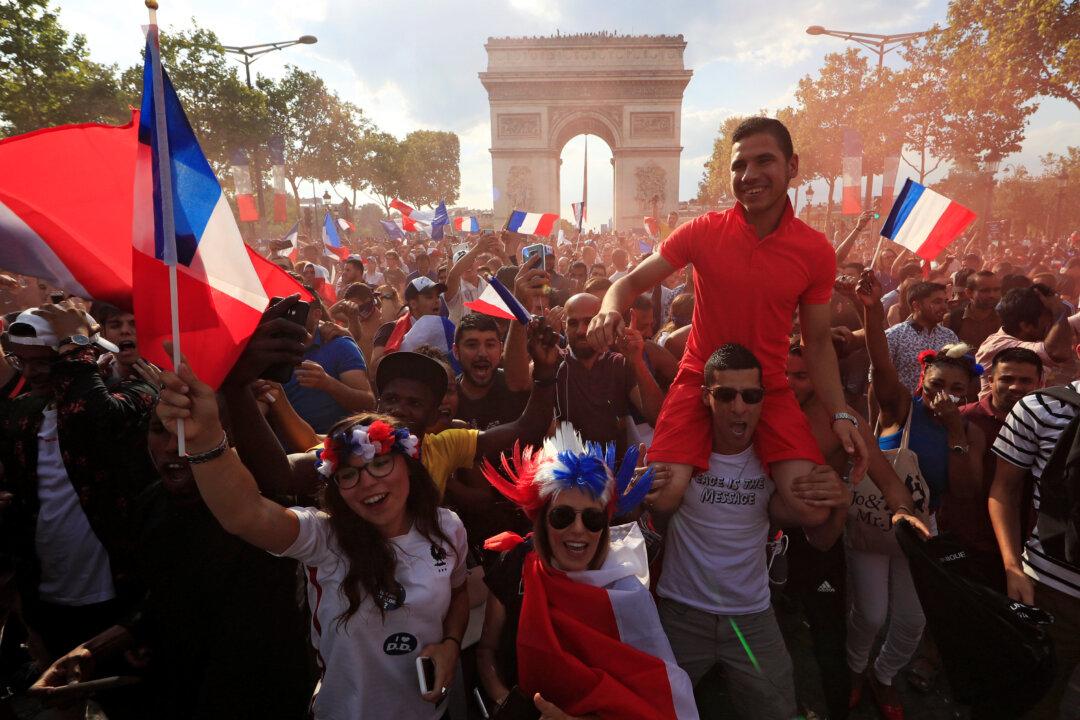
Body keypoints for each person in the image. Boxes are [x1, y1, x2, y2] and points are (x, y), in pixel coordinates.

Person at [155, 365, 469, 720]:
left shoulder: (447, 528)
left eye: (380, 464)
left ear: (408, 466)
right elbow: (246, 514)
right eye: (348, 474)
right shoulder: (325, 539)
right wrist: (205, 439)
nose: (367, 483)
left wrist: (450, 645)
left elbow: (458, 592)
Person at [588, 116, 867, 515]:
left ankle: (761, 529)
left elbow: (818, 342)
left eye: (763, 161)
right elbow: (627, 284)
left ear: (793, 166)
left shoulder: (816, 250)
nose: (749, 174)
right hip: (697, 378)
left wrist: (840, 413)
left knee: (811, 508)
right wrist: (608, 309)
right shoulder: (701, 231)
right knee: (661, 498)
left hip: (769, 385)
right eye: (739, 165)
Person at [29, 409, 315, 718]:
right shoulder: (151, 506)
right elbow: (167, 598)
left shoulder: (269, 515)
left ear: (226, 438)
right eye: (160, 430)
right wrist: (92, 651)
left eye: (190, 431)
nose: (172, 447)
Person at [649, 343, 849, 720]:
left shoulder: (777, 465)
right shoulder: (679, 462)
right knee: (654, 710)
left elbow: (822, 540)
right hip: (680, 615)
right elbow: (653, 518)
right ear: (707, 398)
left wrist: (841, 501)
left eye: (750, 395)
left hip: (751, 619)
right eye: (725, 395)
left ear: (763, 400)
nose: (738, 407)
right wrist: (635, 494)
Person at [478, 424, 699, 720]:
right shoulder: (516, 563)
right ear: (542, 520)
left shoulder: (623, 592)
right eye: (563, 516)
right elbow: (487, 651)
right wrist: (505, 701)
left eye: (593, 519)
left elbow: (648, 700)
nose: (578, 529)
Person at [856, 270, 985, 715]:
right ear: (921, 383)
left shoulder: (968, 430)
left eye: (956, 390)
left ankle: (883, 676)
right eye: (936, 387)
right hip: (875, 520)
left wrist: (954, 431)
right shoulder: (899, 407)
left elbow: (966, 491)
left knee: (912, 621)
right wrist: (871, 311)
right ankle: (854, 671)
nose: (944, 397)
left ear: (969, 393)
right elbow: (879, 364)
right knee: (871, 614)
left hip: (923, 529)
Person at [0, 305, 157, 661]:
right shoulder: (20, 414)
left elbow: (95, 416)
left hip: (121, 597)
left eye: (41, 361)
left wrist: (76, 341)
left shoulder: (136, 392)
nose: (29, 372)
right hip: (47, 597)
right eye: (20, 360)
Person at [785, 345, 929, 720]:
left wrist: (903, 514)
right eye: (783, 374)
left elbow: (890, 482)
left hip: (822, 538)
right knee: (776, 627)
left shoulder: (843, 420)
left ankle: (840, 701)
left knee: (828, 634)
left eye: (801, 376)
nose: (789, 383)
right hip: (766, 535)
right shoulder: (761, 408)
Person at [989, 367, 1080, 720]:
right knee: (1034, 701)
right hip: (1048, 591)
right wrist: (1012, 567)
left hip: (1048, 587)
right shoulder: (1040, 407)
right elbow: (1004, 491)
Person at [937, 347, 1043, 591]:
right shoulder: (962, 418)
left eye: (1025, 380)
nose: (1016, 387)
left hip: (1027, 548)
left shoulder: (1046, 425)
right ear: (991, 379)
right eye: (1007, 379)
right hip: (966, 542)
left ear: (1040, 383)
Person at [557, 292, 663, 450]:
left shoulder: (618, 363)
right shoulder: (553, 365)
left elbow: (658, 418)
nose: (581, 330)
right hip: (569, 471)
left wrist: (637, 362)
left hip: (617, 471)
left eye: (588, 321)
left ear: (602, 323)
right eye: (573, 323)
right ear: (563, 325)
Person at [282, 293, 375, 434]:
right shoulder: (272, 348)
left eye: (299, 309)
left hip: (326, 447)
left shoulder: (340, 346)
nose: (292, 314)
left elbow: (368, 404)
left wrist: (328, 383)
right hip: (278, 446)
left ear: (316, 314)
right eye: (287, 309)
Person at [976, 286, 1076, 392]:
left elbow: (1069, 326)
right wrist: (1059, 312)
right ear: (1026, 326)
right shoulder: (1000, 346)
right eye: (1049, 321)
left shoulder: (1027, 338)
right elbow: (1058, 352)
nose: (1052, 327)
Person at [884, 281, 959, 394]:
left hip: (940, 407)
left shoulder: (949, 336)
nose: (944, 307)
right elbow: (877, 378)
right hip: (905, 408)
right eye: (937, 302)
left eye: (945, 301)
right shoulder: (895, 335)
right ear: (916, 305)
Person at [944, 270, 1002, 350]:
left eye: (996, 290)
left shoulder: (1005, 319)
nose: (992, 295)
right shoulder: (952, 319)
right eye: (985, 291)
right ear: (969, 293)